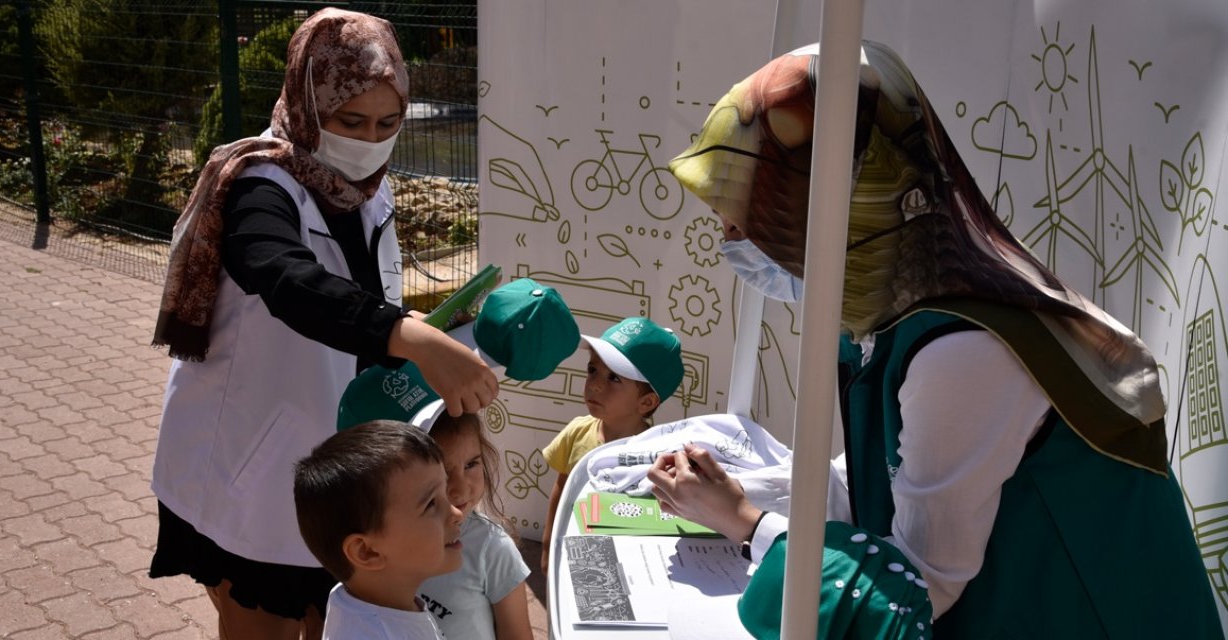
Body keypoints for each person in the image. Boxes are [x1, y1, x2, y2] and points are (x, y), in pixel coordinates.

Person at [648, 41, 1223, 639]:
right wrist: (729, 494)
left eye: (757, 208)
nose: (731, 234)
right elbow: (881, 486)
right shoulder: (895, 317)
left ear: (842, 201)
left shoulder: (962, 349)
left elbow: (918, 589)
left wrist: (747, 523)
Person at [147, 9, 497, 639]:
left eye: (388, 124)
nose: (368, 142)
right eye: (349, 121)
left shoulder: (366, 191)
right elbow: (288, 280)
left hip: (340, 464)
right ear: (308, 103)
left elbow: (360, 298)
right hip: (250, 469)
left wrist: (415, 326)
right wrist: (406, 336)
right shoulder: (259, 185)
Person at [336, 363, 535, 640]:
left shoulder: (491, 548)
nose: (461, 488)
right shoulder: (361, 545)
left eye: (471, 464)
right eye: (440, 472)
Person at [293, 421, 463, 639]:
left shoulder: (368, 600)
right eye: (430, 504)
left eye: (444, 492)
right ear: (366, 551)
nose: (456, 514)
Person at [540, 316, 683, 573]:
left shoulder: (658, 458)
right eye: (592, 369)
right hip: (573, 552)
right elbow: (562, 488)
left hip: (630, 565)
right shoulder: (577, 431)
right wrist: (548, 544)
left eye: (614, 378)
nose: (594, 384)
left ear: (647, 403)